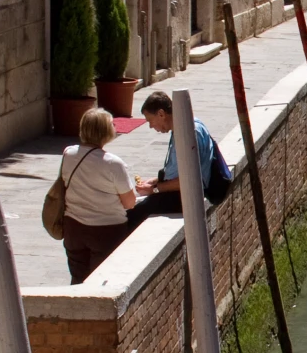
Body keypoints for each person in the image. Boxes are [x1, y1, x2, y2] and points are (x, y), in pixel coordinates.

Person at [60, 106, 139, 285]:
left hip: (74, 228)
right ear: (105, 131)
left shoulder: (68, 154)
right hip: (107, 231)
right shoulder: (113, 163)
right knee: (101, 283)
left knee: (78, 280)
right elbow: (129, 203)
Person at [129, 89, 221, 222]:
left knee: (133, 216)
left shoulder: (188, 133)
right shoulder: (179, 128)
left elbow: (189, 179)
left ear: (161, 114)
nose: (150, 126)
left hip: (185, 196)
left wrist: (154, 189)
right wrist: (155, 181)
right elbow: (179, 170)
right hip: (177, 191)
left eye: (150, 121)